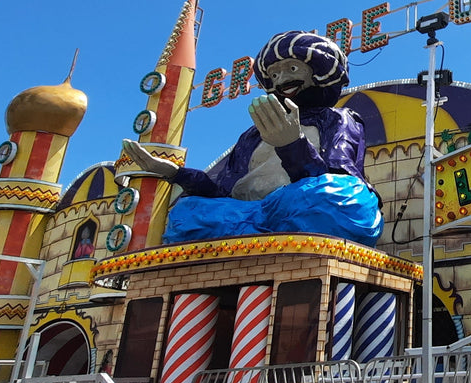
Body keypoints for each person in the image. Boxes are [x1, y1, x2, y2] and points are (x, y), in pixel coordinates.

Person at [121, 31, 382, 246]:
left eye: (292, 68)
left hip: (303, 206)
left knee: (339, 197)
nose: (283, 80)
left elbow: (337, 179)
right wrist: (174, 173)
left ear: (319, 72)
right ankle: (257, 236)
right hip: (249, 214)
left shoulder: (337, 119)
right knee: (187, 212)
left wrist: (292, 145)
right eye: (275, 74)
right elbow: (223, 191)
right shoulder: (252, 134)